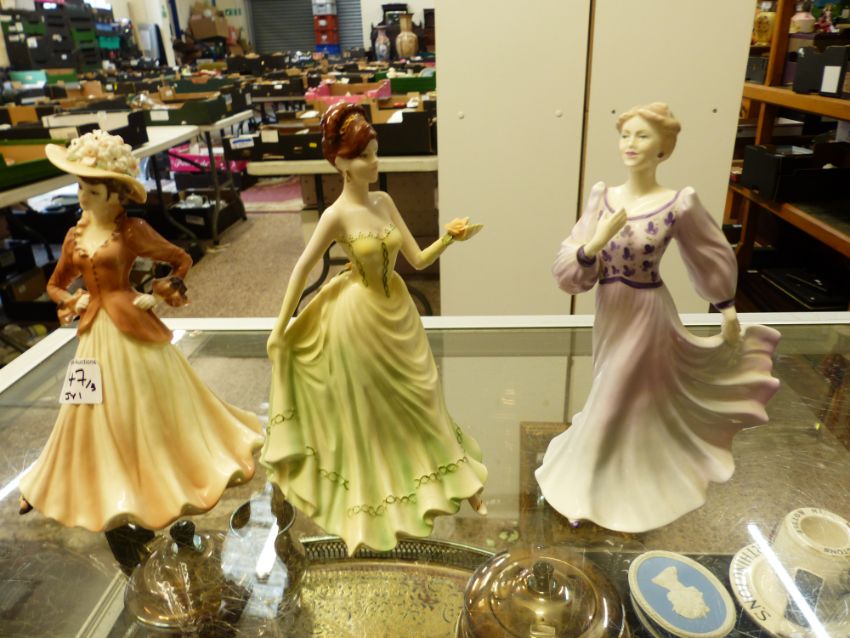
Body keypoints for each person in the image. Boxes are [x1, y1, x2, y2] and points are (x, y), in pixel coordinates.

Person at [535, 103, 781, 533]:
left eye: (642, 135)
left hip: (647, 313)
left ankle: (590, 488)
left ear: (663, 148)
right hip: (610, 311)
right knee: (615, 391)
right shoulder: (602, 198)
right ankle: (614, 474)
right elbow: (569, 268)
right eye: (625, 135)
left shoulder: (677, 204)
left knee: (615, 394)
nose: (631, 143)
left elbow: (708, 252)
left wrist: (726, 305)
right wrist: (593, 244)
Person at [263, 102, 488, 554]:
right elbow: (303, 269)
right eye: (364, 155)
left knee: (425, 395)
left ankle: (461, 481)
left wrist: (449, 238)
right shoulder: (335, 216)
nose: (374, 162)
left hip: (399, 313)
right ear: (342, 163)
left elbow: (417, 259)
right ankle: (378, 500)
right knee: (373, 412)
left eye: (375, 152)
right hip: (358, 319)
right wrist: (280, 325)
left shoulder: (384, 202)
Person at [19, 131, 264, 535]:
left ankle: (156, 477)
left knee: (152, 405)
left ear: (115, 196)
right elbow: (55, 284)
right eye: (80, 188)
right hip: (93, 334)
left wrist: (158, 292)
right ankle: (65, 479)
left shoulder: (131, 230)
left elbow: (180, 258)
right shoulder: (74, 236)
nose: (82, 197)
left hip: (131, 323)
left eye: (92, 191)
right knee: (81, 407)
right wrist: (72, 300)